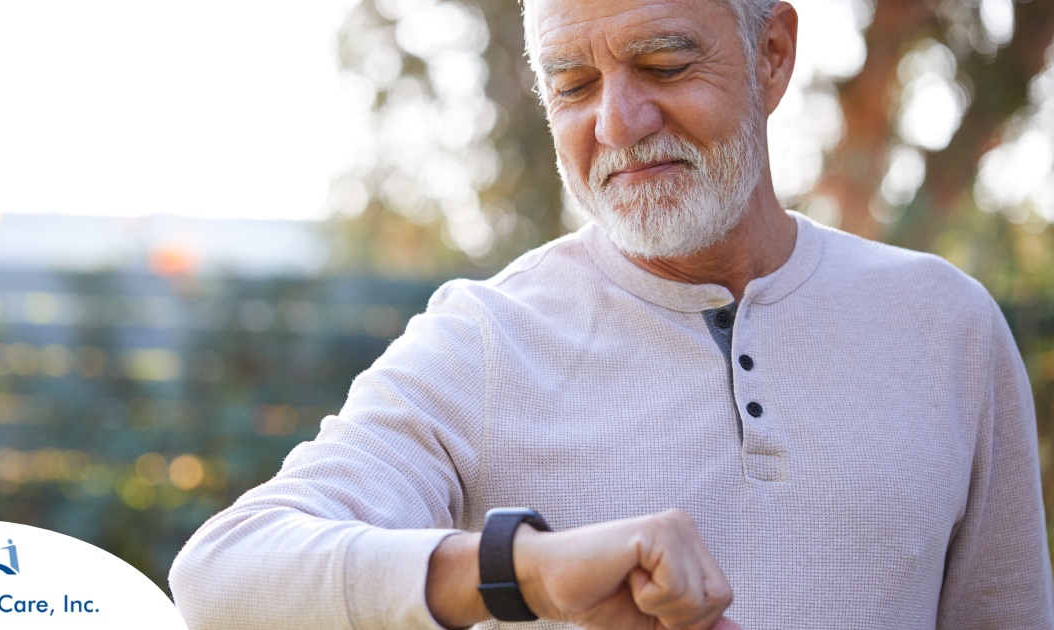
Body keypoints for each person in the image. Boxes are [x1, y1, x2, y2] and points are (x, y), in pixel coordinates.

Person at [168, 0, 1054, 627]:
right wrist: (527, 571)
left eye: (664, 63)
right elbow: (224, 577)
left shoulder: (950, 329)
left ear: (774, 52)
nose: (620, 123)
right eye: (573, 84)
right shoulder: (483, 340)